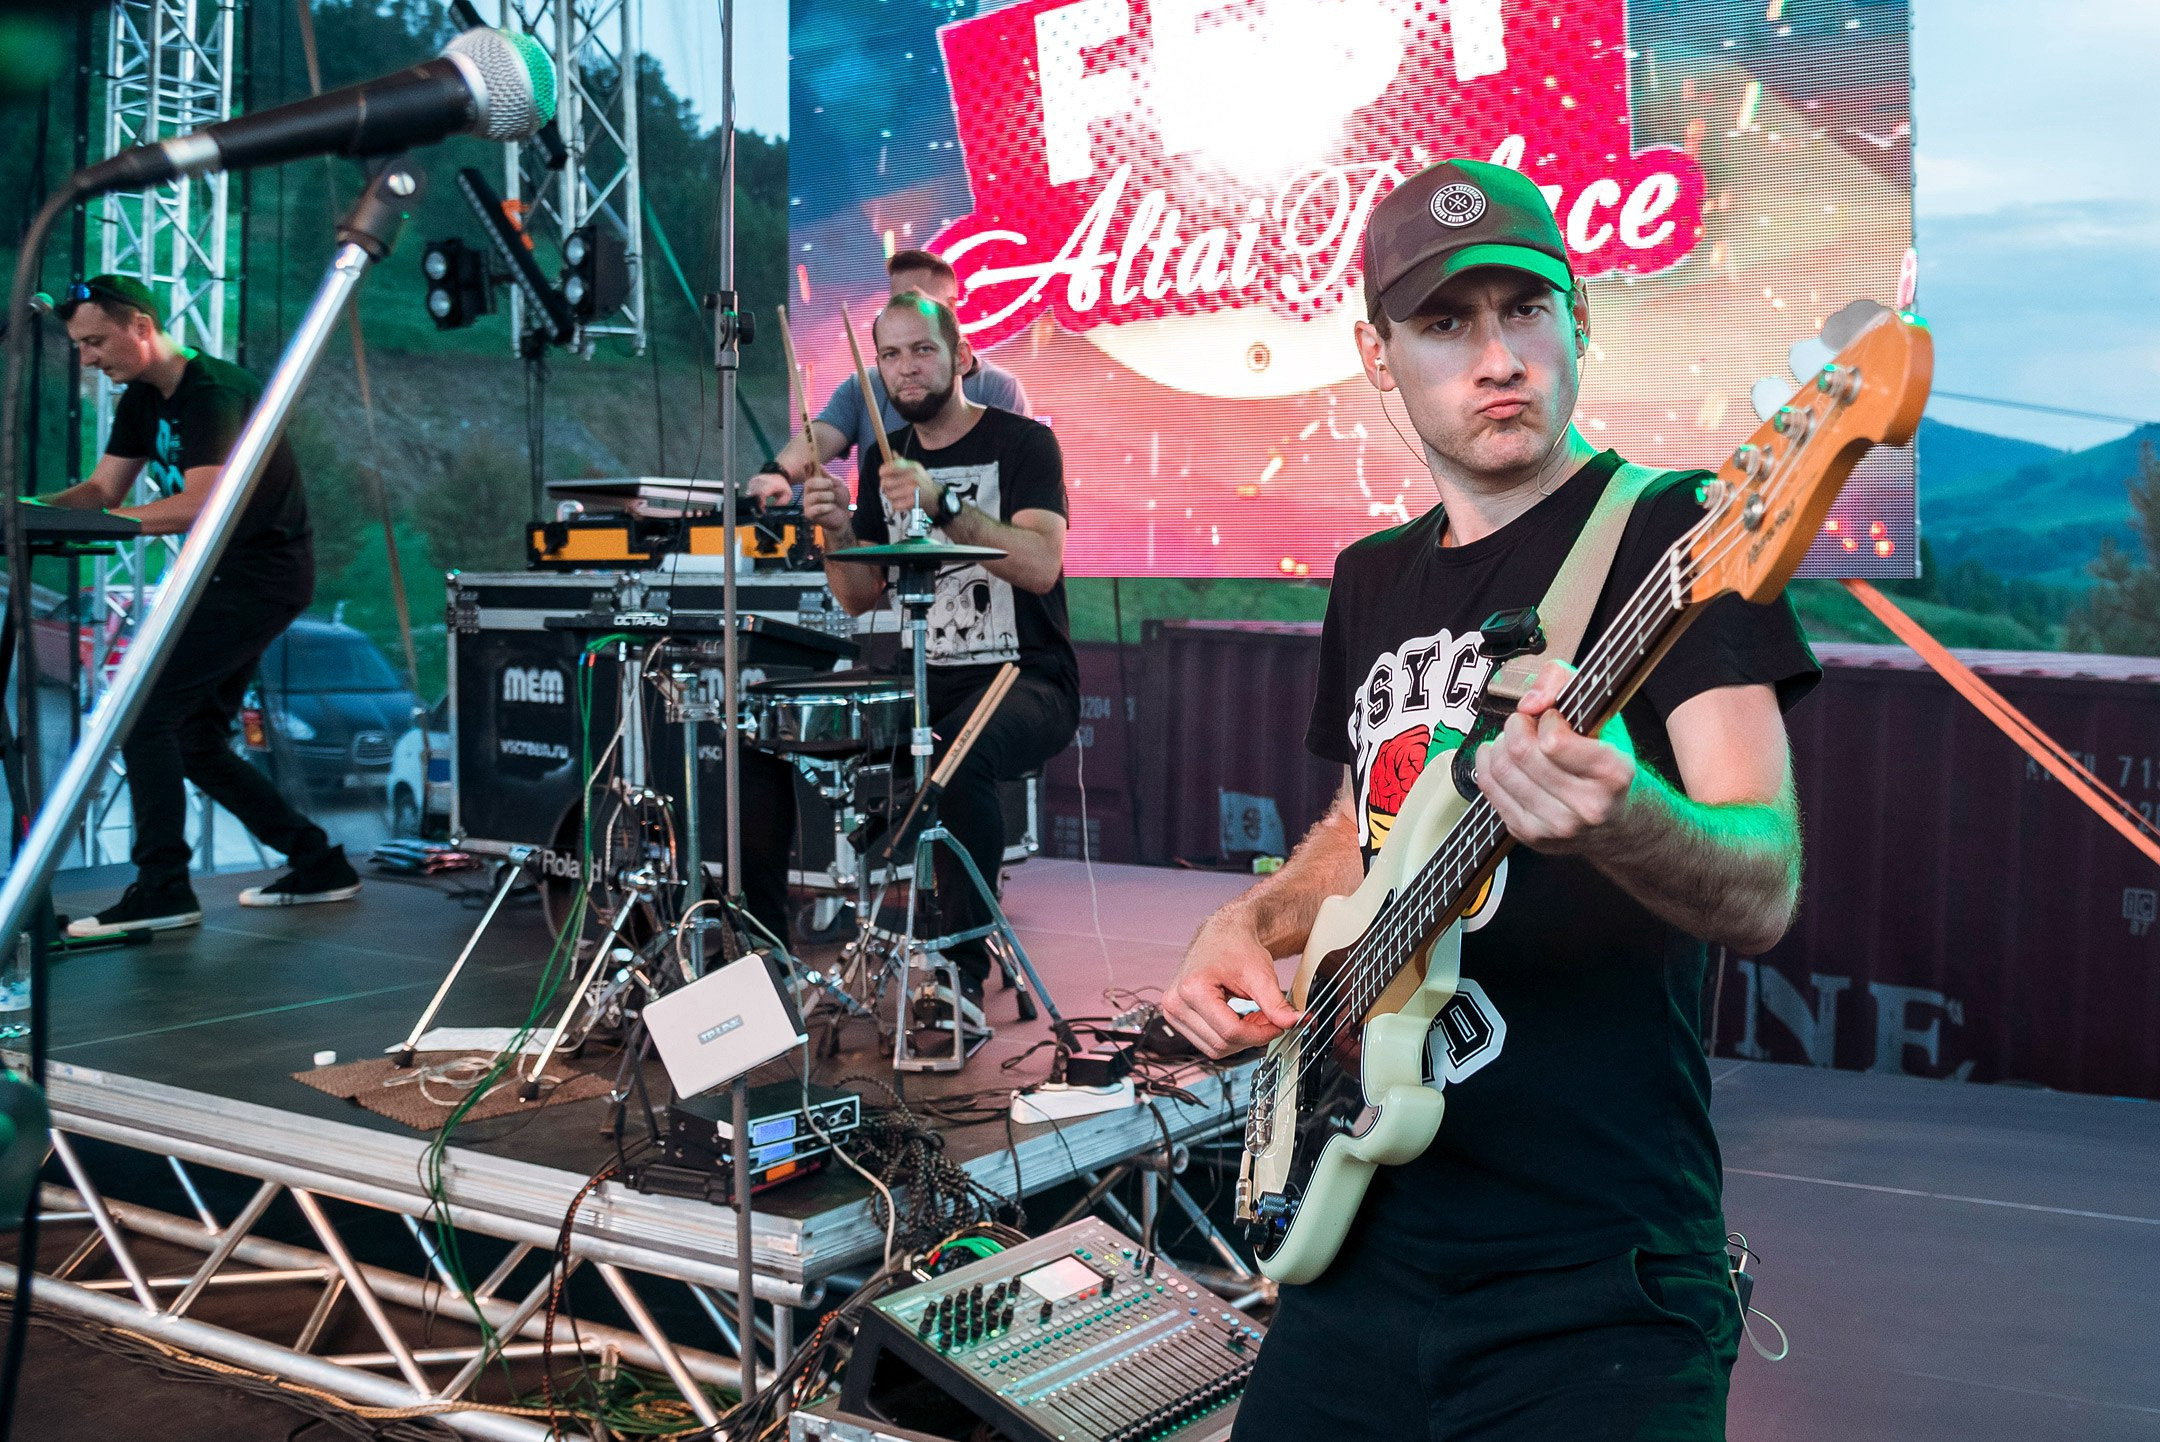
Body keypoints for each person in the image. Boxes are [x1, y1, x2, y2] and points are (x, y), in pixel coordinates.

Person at [1162, 160, 1820, 1440]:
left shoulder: (1678, 532)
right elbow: (1362, 831)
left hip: (1595, 1278)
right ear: (1378, 354)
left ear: (1581, 320)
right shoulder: (1370, 577)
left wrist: (1630, 818)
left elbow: (1764, 881)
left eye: (1525, 309)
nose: (1499, 356)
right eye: (1445, 322)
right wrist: (1250, 921)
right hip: (1358, 1241)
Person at [46, 276, 358, 936]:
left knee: (147, 717)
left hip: (260, 576)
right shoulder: (142, 398)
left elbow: (202, 503)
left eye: (95, 342)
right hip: (221, 578)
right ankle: (318, 862)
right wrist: (27, 511)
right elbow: (102, 490)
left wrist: (101, 523)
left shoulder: (213, 392)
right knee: (192, 738)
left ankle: (163, 888)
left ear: (141, 327)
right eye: (79, 346)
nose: (88, 358)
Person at [802, 289, 1078, 1012]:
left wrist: (944, 505)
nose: (906, 368)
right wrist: (835, 529)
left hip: (1026, 678)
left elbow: (1040, 565)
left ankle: (960, 972)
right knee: (782, 742)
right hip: (927, 681)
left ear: (962, 357)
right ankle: (764, 955)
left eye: (923, 350)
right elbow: (859, 595)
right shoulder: (881, 458)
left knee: (956, 757)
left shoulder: (1023, 443)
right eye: (890, 355)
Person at [750, 248, 1030, 506]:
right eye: (897, 303)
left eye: (917, 302)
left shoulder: (1000, 388)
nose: (907, 368)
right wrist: (779, 472)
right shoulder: (865, 385)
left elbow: (1017, 489)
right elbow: (821, 438)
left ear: (951, 309)